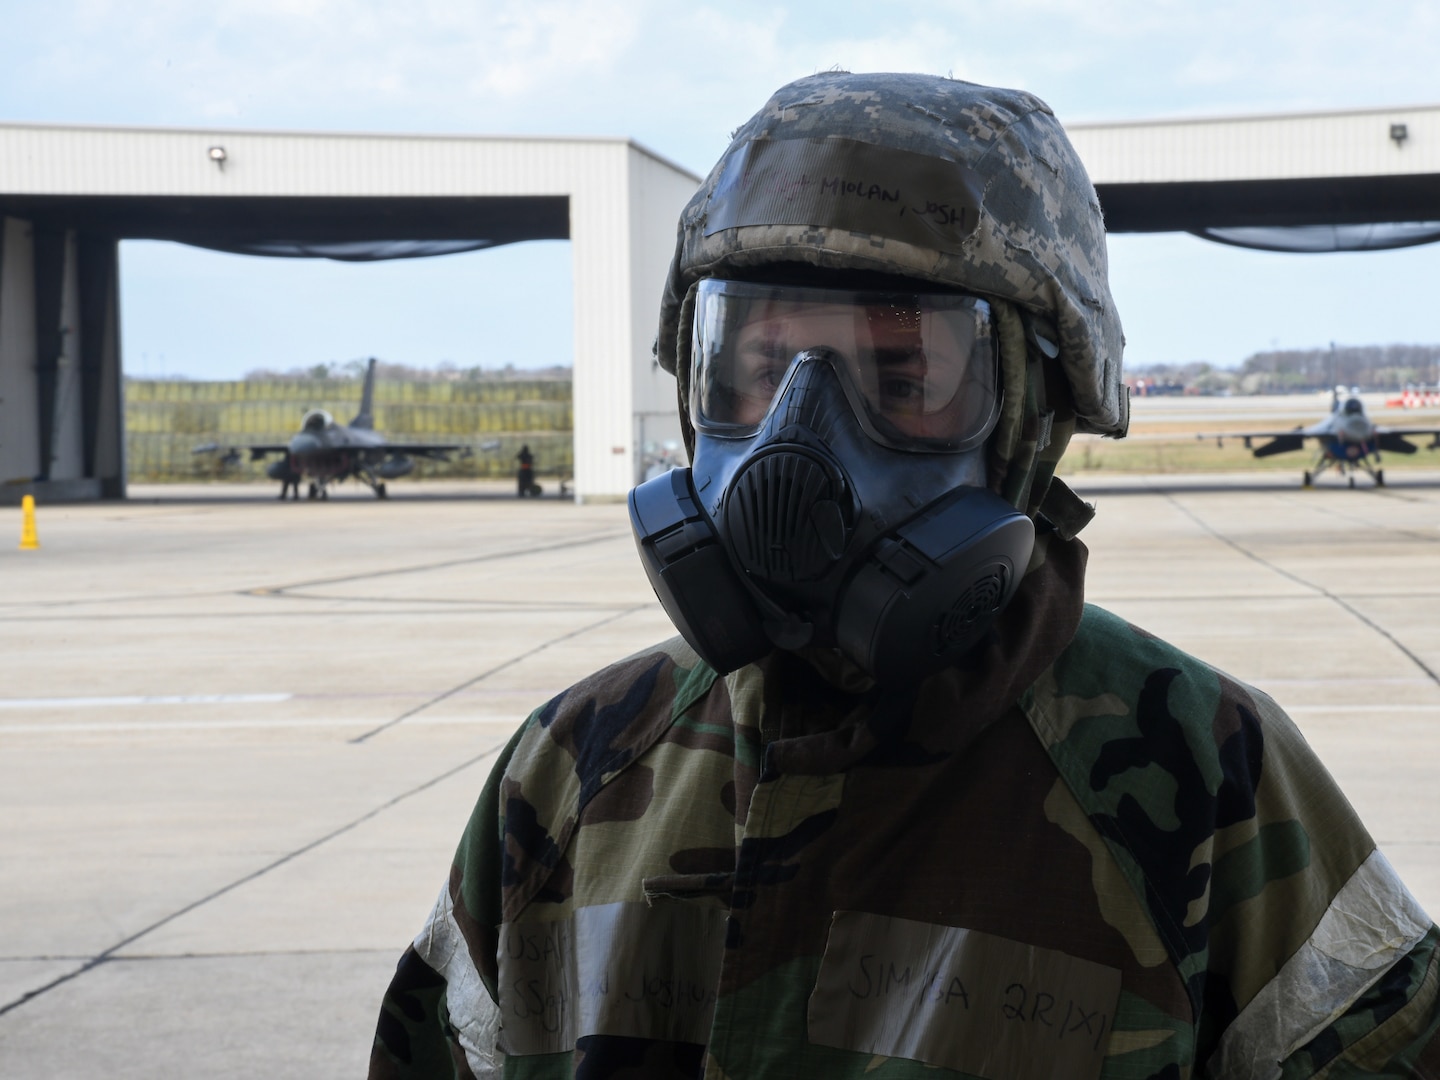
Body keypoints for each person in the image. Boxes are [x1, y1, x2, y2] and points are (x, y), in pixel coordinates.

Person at [369, 73, 1440, 1080]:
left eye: (905, 375)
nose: (796, 448)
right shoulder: (568, 769)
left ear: (1032, 419)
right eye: (754, 370)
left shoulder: (1206, 774)